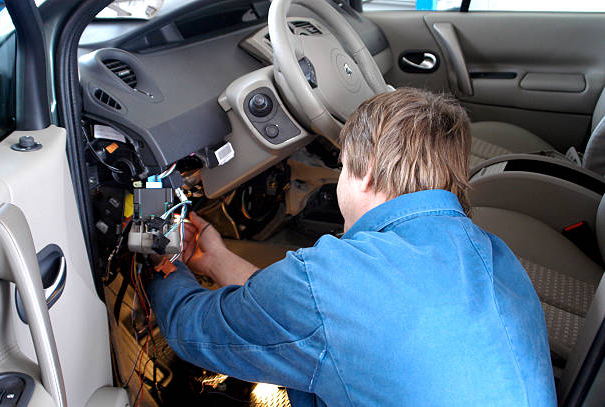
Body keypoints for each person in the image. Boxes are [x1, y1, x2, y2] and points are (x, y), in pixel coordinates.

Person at [147, 88, 557, 406]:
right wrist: (215, 259)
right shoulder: (492, 253)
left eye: (342, 166)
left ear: (369, 171)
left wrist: (157, 253)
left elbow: (190, 329)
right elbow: (321, 318)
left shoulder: (328, 283)